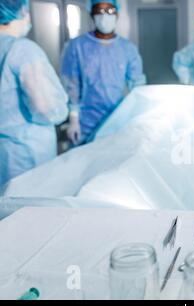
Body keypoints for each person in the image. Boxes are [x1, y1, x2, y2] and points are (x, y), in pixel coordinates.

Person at [0, 0, 68, 187]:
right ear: (20, 13)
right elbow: (45, 107)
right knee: (26, 210)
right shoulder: (22, 50)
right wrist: (61, 113)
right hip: (24, 154)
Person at [61, 0, 146, 146]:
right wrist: (74, 120)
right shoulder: (76, 47)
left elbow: (137, 86)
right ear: (91, 14)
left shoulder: (127, 48)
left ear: (117, 14)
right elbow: (71, 86)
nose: (105, 16)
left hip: (117, 119)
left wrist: (139, 116)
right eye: (99, 11)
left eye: (110, 11)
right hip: (86, 122)